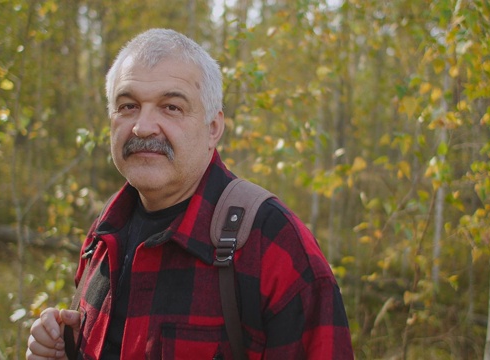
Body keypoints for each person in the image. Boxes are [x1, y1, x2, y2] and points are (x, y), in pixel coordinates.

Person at [26, 28, 354, 360]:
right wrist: (59, 351)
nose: (143, 126)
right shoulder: (105, 230)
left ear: (213, 128)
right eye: (128, 105)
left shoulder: (272, 243)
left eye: (171, 107)